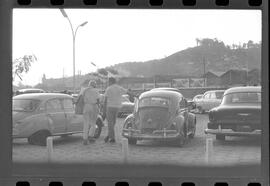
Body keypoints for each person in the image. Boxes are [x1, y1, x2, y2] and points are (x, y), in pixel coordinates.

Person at [103, 77, 127, 143]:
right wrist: (135, 95)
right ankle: (109, 135)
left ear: (110, 82)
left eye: (108, 82)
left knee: (110, 123)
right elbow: (128, 92)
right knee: (113, 122)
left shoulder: (108, 89)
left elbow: (105, 100)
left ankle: (112, 138)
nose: (108, 83)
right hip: (117, 107)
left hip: (110, 106)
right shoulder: (119, 88)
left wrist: (104, 110)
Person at [81, 80, 100, 145]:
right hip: (94, 106)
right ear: (94, 85)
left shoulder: (84, 90)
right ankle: (91, 136)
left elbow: (81, 98)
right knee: (93, 123)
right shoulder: (96, 90)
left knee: (86, 124)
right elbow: (98, 100)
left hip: (86, 106)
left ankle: (85, 139)